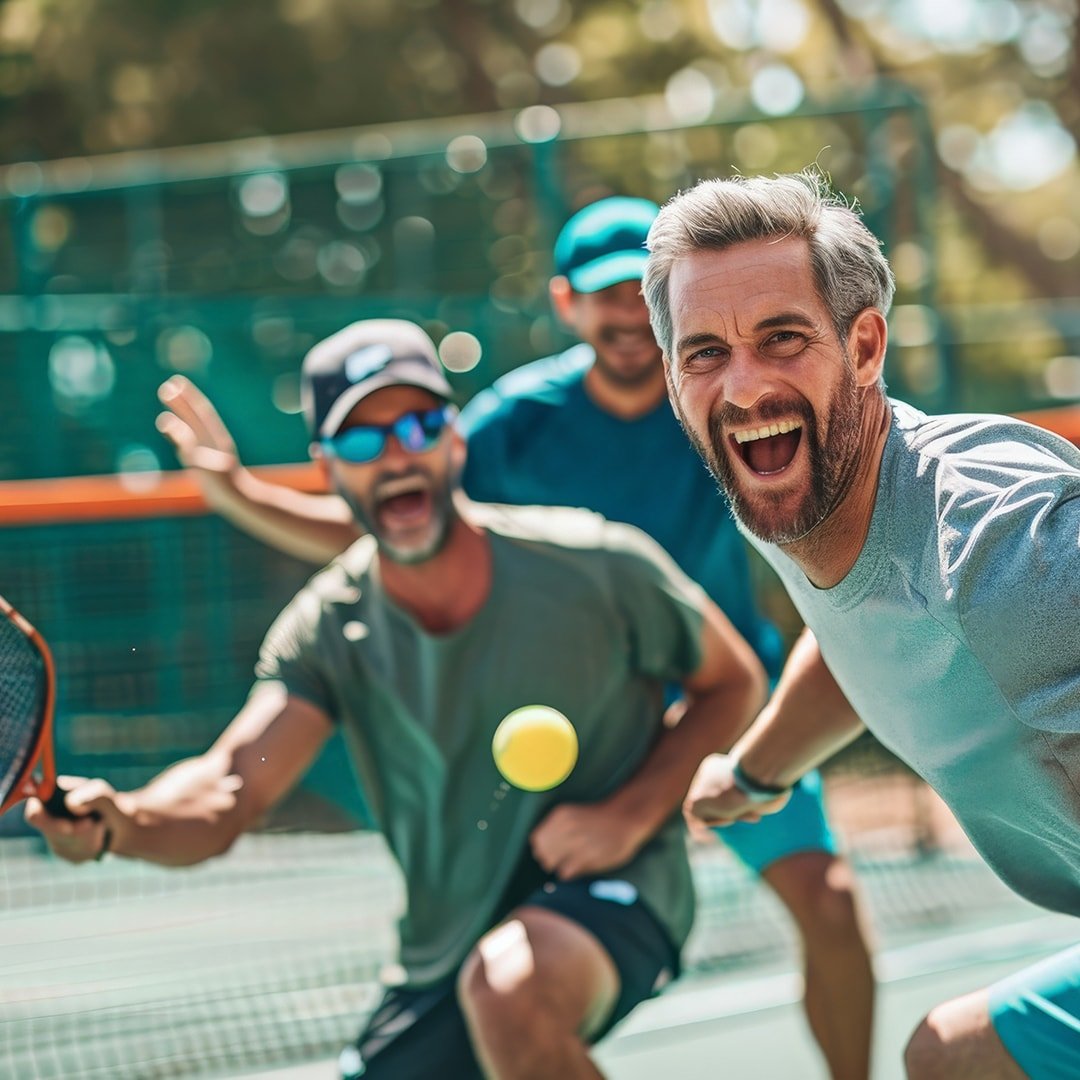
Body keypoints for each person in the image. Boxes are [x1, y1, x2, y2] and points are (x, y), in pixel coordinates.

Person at [156, 196, 877, 1080]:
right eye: (601, 294)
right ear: (566, 305)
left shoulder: (725, 394)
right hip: (591, 720)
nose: (622, 313)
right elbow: (409, 520)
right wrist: (241, 496)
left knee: (829, 903)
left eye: (636, 292)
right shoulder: (512, 421)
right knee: (508, 990)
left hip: (723, 698)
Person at [27, 319, 768, 1080]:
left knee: (510, 987)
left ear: (453, 441)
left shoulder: (595, 562)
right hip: (445, 943)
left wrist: (630, 813)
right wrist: (124, 820)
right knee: (485, 987)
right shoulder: (325, 629)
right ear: (327, 467)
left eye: (417, 425)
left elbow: (732, 680)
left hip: (617, 889)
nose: (394, 455)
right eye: (359, 440)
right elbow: (227, 788)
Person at [641, 168, 1080, 1079]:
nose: (743, 387)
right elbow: (864, 630)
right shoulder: (791, 488)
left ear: (865, 345)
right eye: (704, 354)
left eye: (783, 338)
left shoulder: (1000, 551)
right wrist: (758, 772)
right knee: (957, 1060)